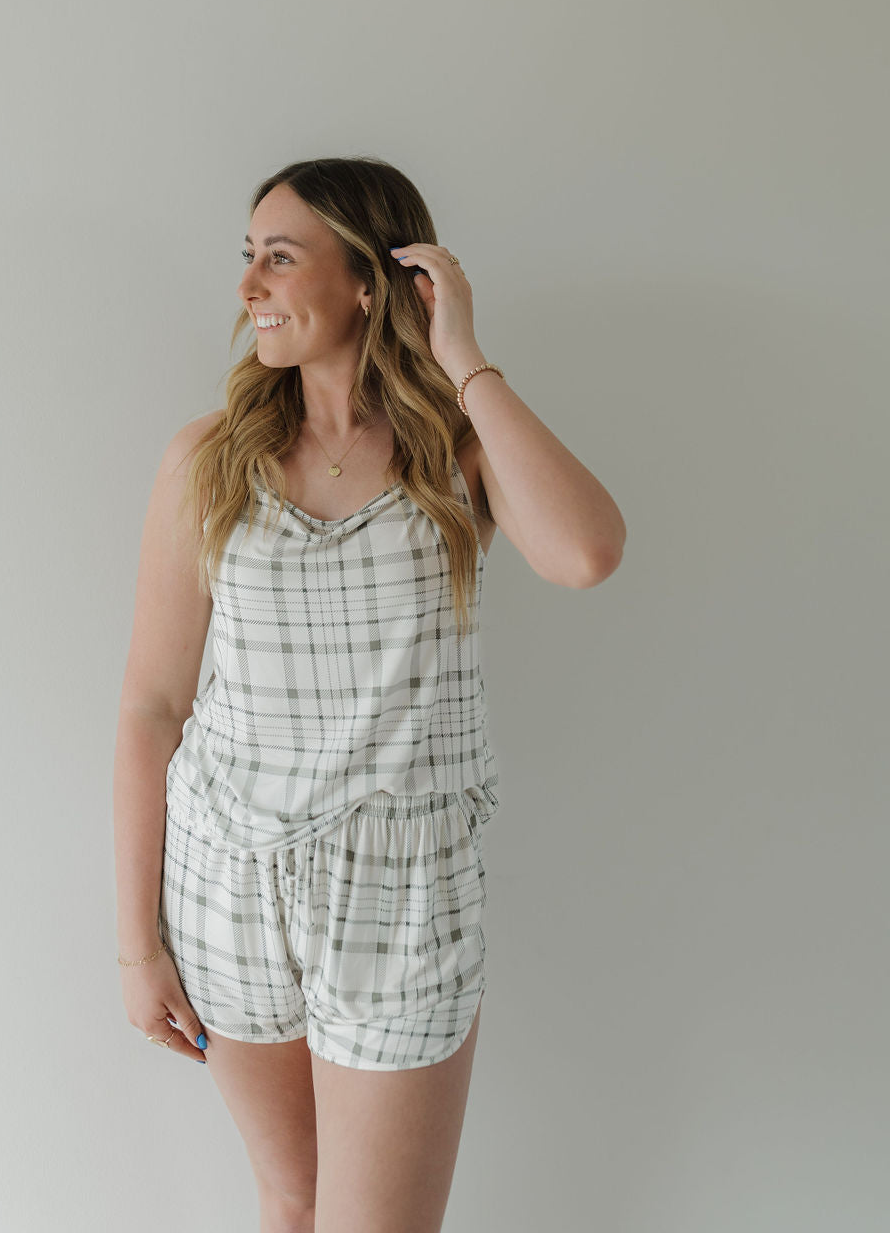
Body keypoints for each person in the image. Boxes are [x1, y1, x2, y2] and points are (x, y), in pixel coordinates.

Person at [113, 155, 625, 1232]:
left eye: (280, 257)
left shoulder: (455, 453)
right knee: (292, 1200)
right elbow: (153, 708)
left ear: (368, 282)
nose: (249, 284)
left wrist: (465, 357)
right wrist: (137, 942)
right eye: (246, 258)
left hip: (401, 896)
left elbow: (585, 552)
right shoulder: (206, 460)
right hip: (226, 885)